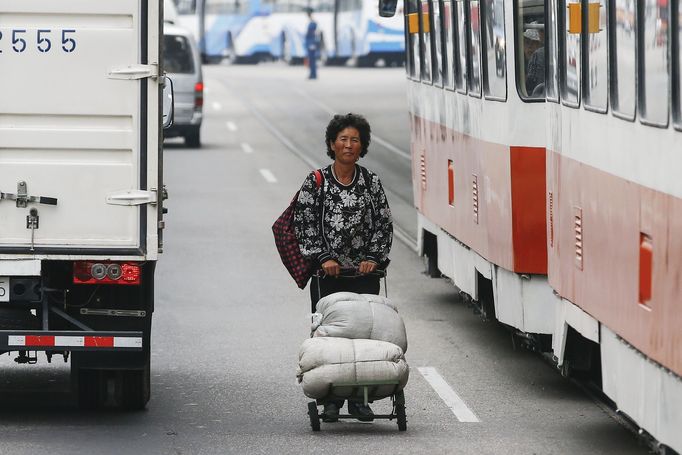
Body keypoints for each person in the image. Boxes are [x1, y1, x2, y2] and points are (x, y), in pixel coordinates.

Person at [293, 113, 393, 422]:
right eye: (343, 140)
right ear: (332, 144)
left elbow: (384, 223)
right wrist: (324, 258)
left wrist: (373, 258)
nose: (348, 145)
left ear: (362, 147)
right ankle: (330, 400)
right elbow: (304, 224)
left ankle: (360, 400)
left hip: (364, 276)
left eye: (355, 140)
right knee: (331, 340)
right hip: (327, 277)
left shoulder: (370, 182)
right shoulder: (317, 181)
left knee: (363, 340)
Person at [523, 23, 545, 96]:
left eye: (534, 43)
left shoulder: (540, 61)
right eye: (527, 42)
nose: (530, 46)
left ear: (540, 44)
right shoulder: (519, 65)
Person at [305, 9, 319, 79]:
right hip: (310, 43)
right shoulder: (311, 23)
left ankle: (313, 74)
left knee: (312, 60)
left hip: (311, 44)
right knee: (311, 60)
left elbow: (312, 34)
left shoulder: (313, 23)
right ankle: (312, 74)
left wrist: (312, 44)